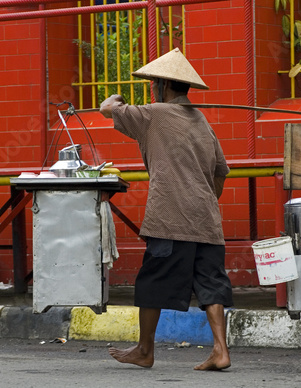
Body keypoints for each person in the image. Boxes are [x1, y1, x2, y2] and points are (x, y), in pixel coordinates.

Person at [100, 48, 233, 371]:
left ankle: (145, 350)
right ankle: (220, 350)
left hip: (169, 218)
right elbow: (220, 174)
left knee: (152, 283)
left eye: (154, 84)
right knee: (211, 284)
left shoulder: (153, 114)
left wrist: (118, 97)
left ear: (162, 85)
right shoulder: (202, 121)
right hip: (207, 220)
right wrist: (202, 201)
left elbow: (108, 109)